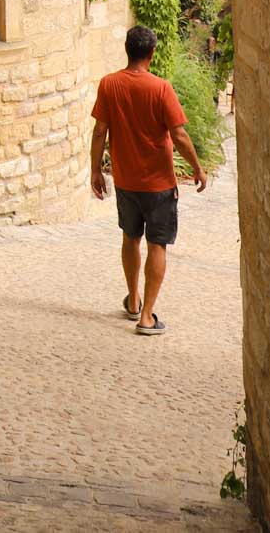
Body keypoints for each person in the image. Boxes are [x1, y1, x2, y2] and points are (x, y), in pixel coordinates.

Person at [90, 24, 207, 337]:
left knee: (130, 237)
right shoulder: (160, 88)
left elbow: (100, 130)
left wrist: (95, 170)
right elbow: (179, 134)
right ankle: (146, 316)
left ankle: (133, 301)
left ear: (127, 50)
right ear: (152, 53)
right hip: (158, 184)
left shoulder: (108, 84)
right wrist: (197, 167)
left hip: (125, 180)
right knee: (158, 244)